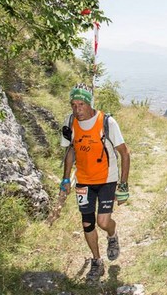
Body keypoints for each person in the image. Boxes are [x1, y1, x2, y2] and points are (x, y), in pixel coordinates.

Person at [59, 83, 130, 281]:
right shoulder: (69, 122)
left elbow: (124, 152)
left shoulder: (107, 122)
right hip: (83, 181)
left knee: (103, 222)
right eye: (73, 104)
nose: (77, 109)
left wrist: (123, 185)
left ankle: (112, 235)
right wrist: (66, 178)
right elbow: (70, 150)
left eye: (81, 104)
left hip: (107, 179)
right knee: (88, 223)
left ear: (89, 103)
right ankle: (97, 261)